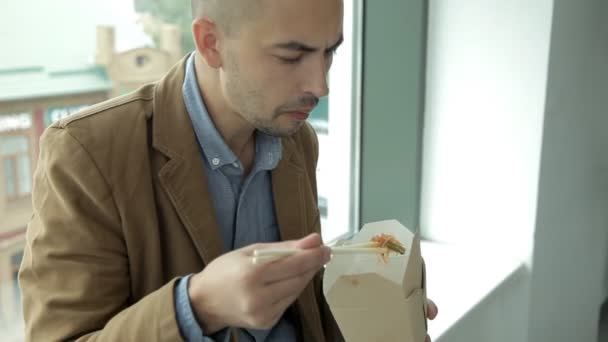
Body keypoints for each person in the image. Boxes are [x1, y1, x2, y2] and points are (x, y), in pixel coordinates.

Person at [18, 0, 438, 341]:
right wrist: (197, 307)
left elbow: (303, 307)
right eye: (292, 56)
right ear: (211, 42)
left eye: (329, 52)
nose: (320, 85)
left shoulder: (296, 140)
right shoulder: (86, 151)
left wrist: (373, 305)